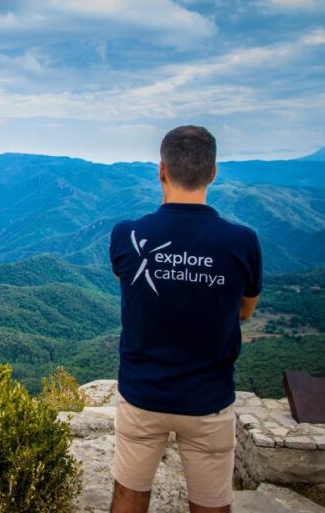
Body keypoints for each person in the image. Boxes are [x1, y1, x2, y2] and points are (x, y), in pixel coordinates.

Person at [108, 126, 262, 513]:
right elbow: (245, 311)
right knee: (211, 505)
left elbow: (130, 288)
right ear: (213, 173)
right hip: (208, 398)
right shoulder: (242, 242)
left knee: (128, 496)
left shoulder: (127, 235)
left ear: (161, 170)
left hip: (143, 394)